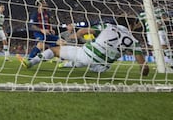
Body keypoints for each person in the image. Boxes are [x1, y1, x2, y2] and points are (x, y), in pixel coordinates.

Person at [17, 16, 150, 76]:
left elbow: (82, 31)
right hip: (103, 66)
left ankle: (31, 62)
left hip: (87, 54)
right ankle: (67, 64)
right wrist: (144, 73)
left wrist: (75, 37)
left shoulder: (108, 26)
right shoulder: (134, 41)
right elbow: (143, 66)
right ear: (131, 26)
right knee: (87, 61)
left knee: (54, 50)